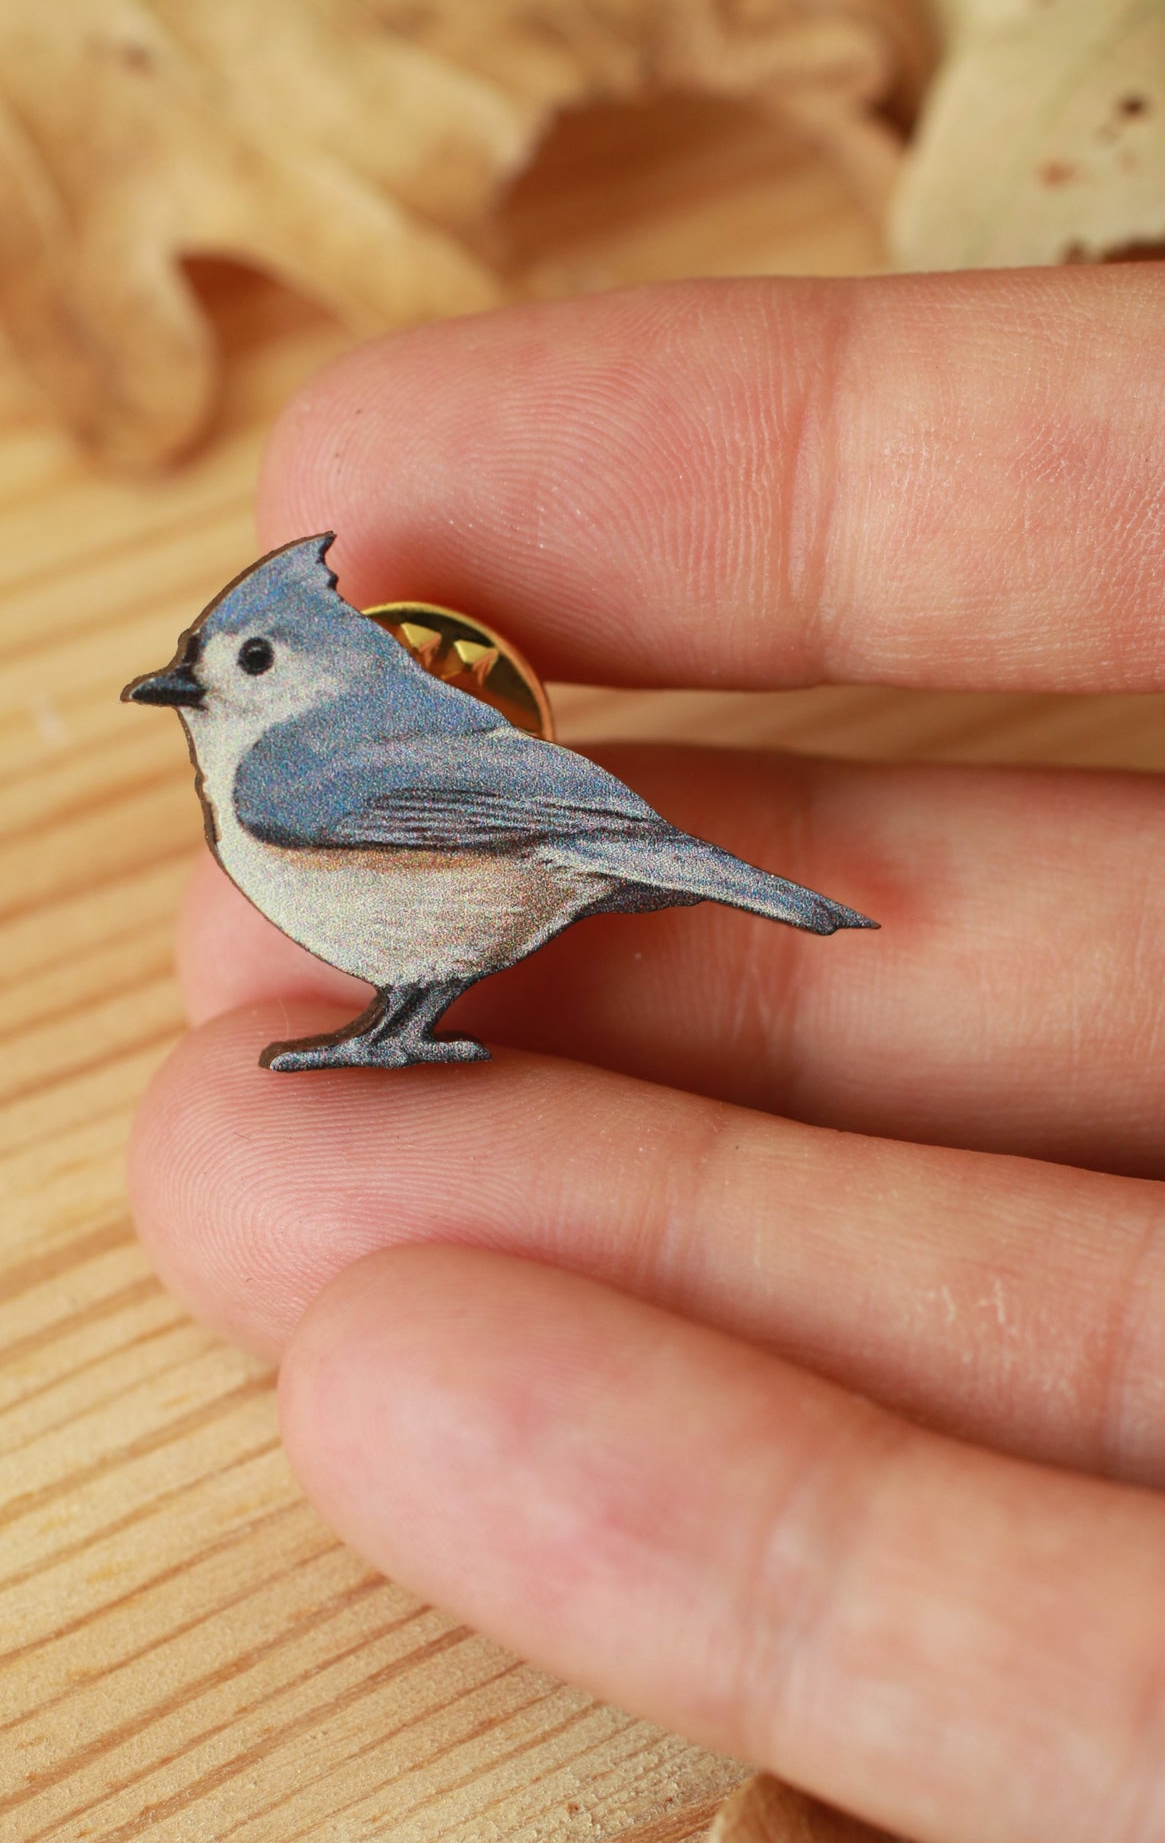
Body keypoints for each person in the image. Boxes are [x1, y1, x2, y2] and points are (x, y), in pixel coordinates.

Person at [128, 266, 1165, 1842]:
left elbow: (500, 805)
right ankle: (399, 1030)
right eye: (210, 668)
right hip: (536, 854)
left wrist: (621, 842)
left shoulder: (298, 772)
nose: (207, 691)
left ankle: (401, 1027)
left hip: (532, 848)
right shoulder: (310, 748)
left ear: (310, 672)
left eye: (241, 665)